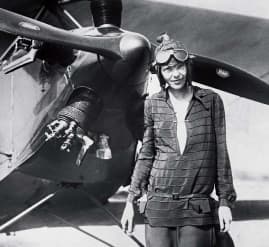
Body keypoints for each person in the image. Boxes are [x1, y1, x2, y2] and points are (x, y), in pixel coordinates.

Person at [121, 34, 236, 247]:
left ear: (188, 66)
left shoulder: (211, 101)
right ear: (160, 73)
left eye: (179, 67)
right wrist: (130, 201)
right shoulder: (153, 104)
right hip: (158, 208)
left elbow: (221, 152)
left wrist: (224, 202)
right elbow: (146, 155)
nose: (175, 74)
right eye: (168, 69)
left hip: (196, 206)